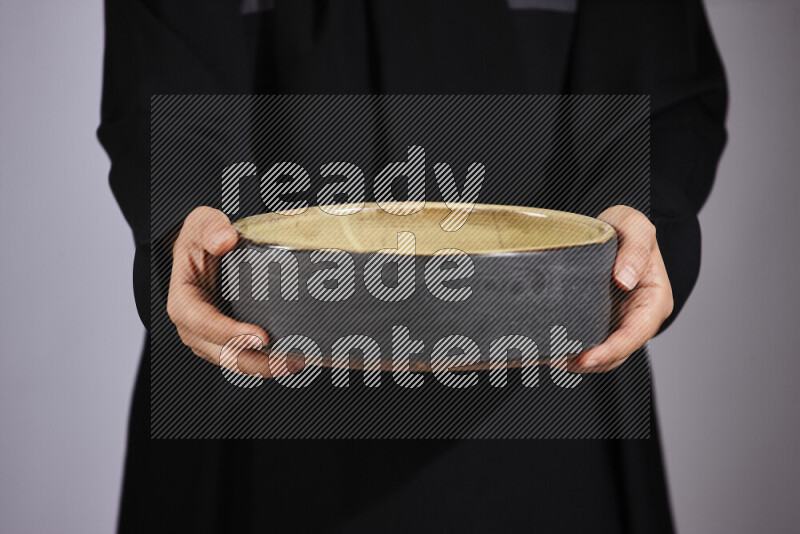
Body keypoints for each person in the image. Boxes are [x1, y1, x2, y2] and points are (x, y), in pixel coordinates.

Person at [98, 1, 727, 532]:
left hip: (553, 400)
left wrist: (643, 221)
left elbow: (661, 89)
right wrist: (185, 220)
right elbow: (162, 86)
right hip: (248, 381)